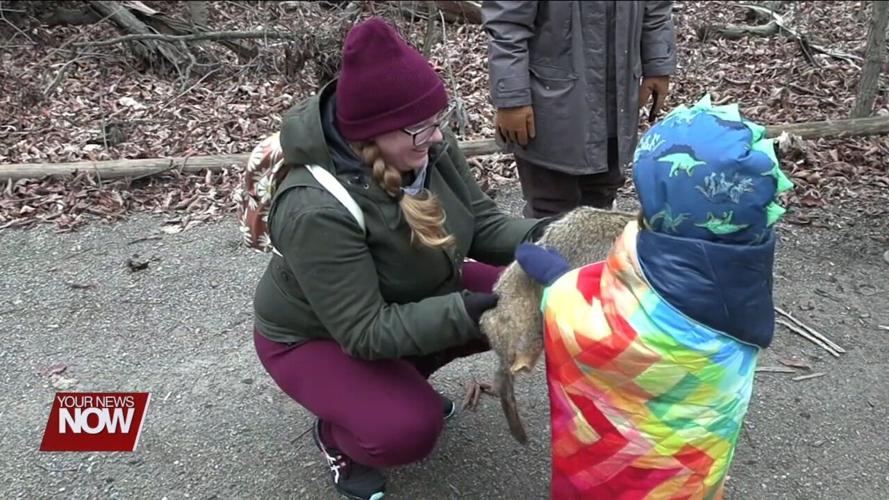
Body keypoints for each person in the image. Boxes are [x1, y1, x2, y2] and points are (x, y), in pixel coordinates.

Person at [250, 17, 549, 500]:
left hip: (409, 292)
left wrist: (560, 238)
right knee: (406, 429)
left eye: (438, 120)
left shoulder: (421, 141)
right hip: (317, 336)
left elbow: (483, 225)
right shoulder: (314, 209)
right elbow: (365, 331)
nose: (436, 136)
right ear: (371, 132)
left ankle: (395, 383)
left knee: (535, 297)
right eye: (421, 127)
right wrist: (474, 309)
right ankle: (341, 435)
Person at [515, 96, 794, 498]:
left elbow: (600, 330)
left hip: (607, 482)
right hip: (689, 478)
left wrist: (559, 282)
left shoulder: (635, 281)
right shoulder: (744, 277)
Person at [481, 1, 677, 217]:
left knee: (602, 199)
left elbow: (656, 9)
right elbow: (507, 25)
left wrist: (657, 64)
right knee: (551, 205)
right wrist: (512, 99)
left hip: (616, 99)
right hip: (551, 104)